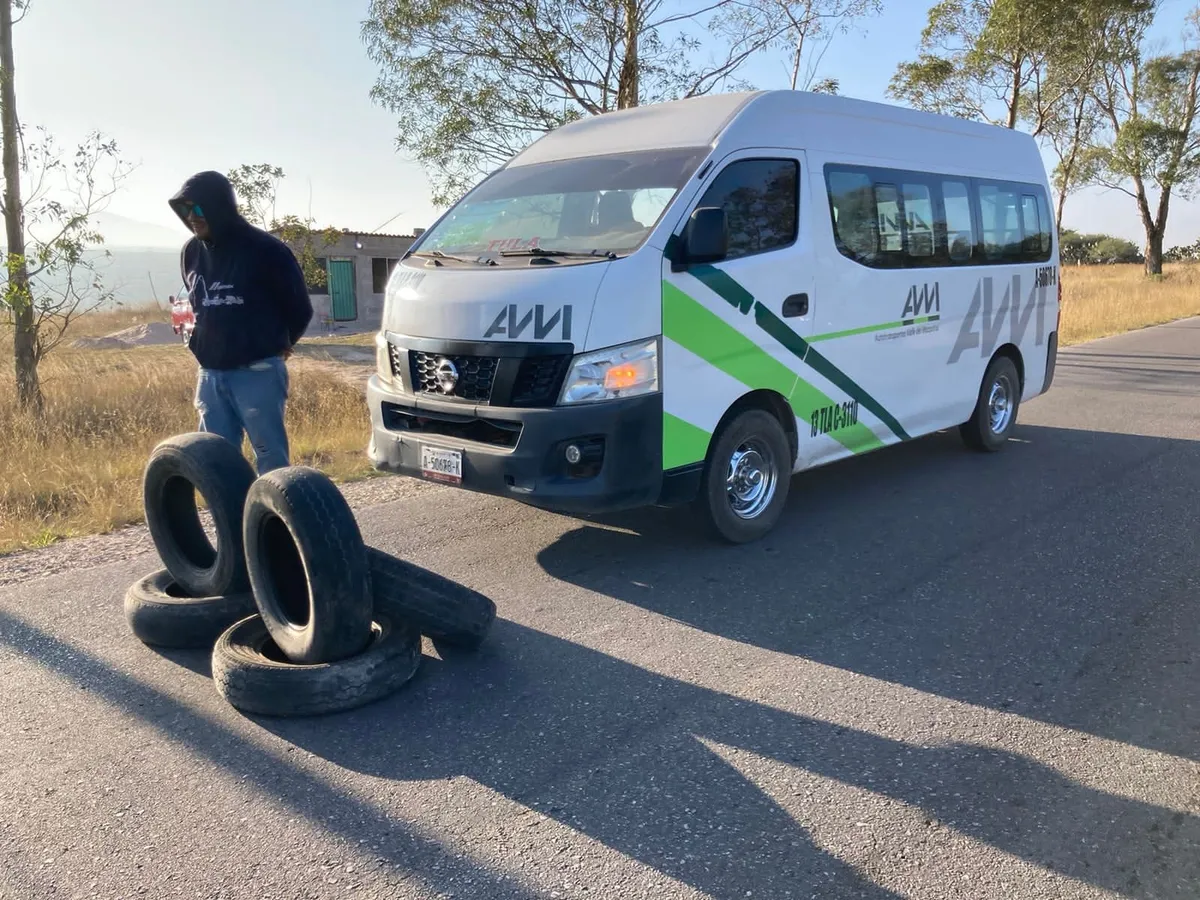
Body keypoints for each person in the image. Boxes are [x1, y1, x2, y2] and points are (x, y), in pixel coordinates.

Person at [168, 170, 313, 475]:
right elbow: (195, 304)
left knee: (270, 457)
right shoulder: (191, 253)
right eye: (185, 210)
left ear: (219, 206)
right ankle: (229, 520)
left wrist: (283, 344)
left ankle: (272, 521)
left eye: (198, 208)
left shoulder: (267, 250)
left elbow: (299, 308)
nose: (192, 217)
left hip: (257, 372)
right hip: (210, 376)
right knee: (215, 462)